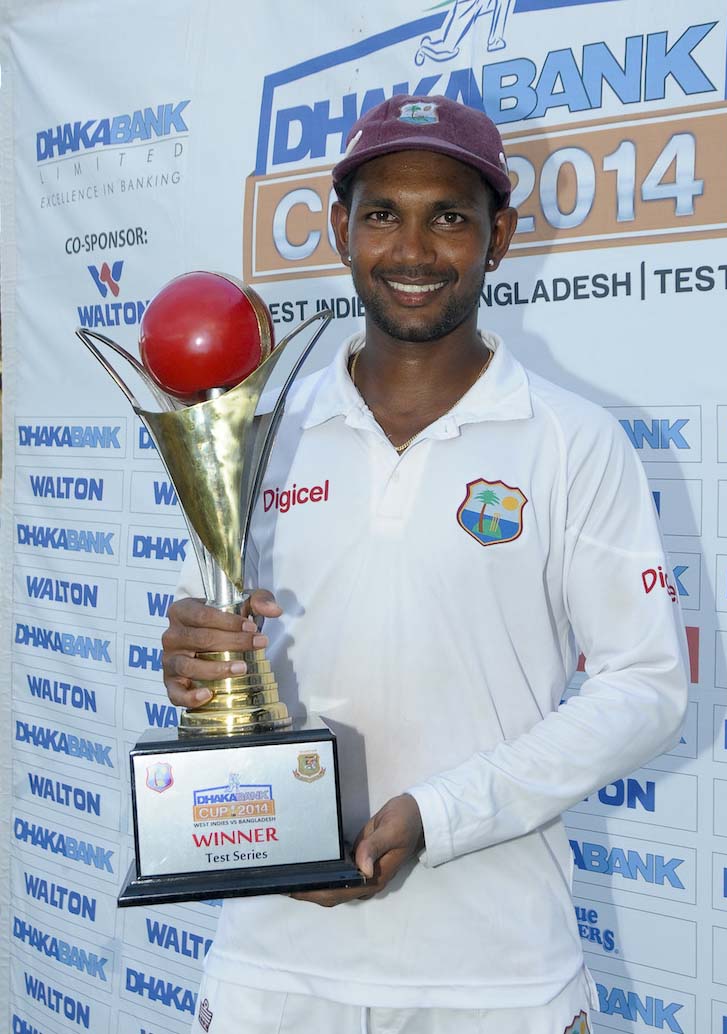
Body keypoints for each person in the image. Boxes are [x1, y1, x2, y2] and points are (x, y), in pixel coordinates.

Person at [163, 94, 688, 1034]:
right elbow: (226, 667)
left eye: (448, 215)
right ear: (338, 230)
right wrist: (198, 671)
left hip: (498, 976)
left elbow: (645, 688)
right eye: (381, 215)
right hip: (273, 967)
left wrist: (439, 815)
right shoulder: (258, 442)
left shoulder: (574, 441)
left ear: (500, 238)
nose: (412, 250)